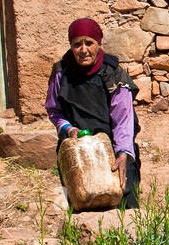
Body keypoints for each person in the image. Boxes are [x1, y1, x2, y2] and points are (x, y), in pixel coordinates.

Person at [45, 18, 142, 209]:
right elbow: (54, 110)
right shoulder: (60, 73)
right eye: (77, 44)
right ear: (70, 46)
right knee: (81, 201)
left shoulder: (113, 74)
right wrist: (68, 128)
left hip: (114, 147)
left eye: (89, 43)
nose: (83, 50)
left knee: (124, 199)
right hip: (77, 148)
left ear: (98, 43)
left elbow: (123, 119)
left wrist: (122, 154)